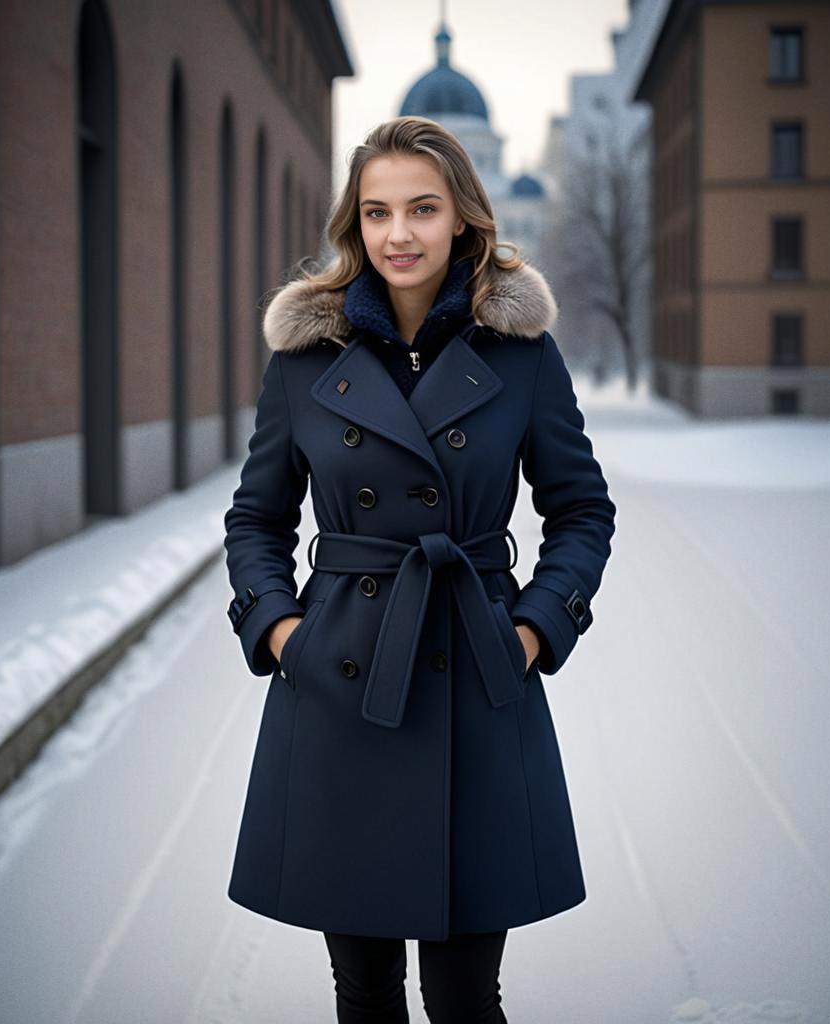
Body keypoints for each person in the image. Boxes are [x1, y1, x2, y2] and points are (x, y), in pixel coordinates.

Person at [223, 115, 617, 1023]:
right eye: (376, 212)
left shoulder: (520, 354)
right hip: (342, 684)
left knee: (465, 995)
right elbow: (255, 518)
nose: (398, 234)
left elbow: (582, 510)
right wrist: (282, 632)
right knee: (362, 992)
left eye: (422, 209)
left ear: (465, 219)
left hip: (475, 678)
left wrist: (534, 628)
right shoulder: (304, 358)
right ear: (354, 226)